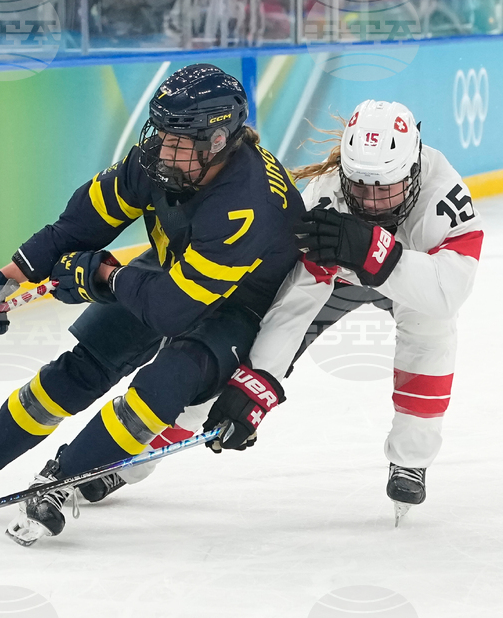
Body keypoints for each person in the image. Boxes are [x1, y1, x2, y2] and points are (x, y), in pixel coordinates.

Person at [0, 64, 304, 546]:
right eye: (161, 132)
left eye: (179, 141)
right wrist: (2, 282)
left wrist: (102, 276)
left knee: (162, 387)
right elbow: (75, 229)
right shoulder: (159, 159)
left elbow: (172, 312)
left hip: (241, 306)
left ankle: (63, 478)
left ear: (218, 141)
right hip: (176, 270)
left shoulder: (245, 204)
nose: (164, 150)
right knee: (84, 366)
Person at [199, 99, 483, 525]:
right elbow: (297, 303)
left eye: (384, 187)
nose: (371, 203)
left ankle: (411, 456)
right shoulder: (327, 196)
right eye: (361, 186)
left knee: (432, 329)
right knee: (238, 357)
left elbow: (447, 293)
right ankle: (145, 448)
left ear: (414, 168)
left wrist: (375, 253)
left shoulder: (444, 195)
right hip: (342, 281)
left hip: (413, 281)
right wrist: (258, 380)